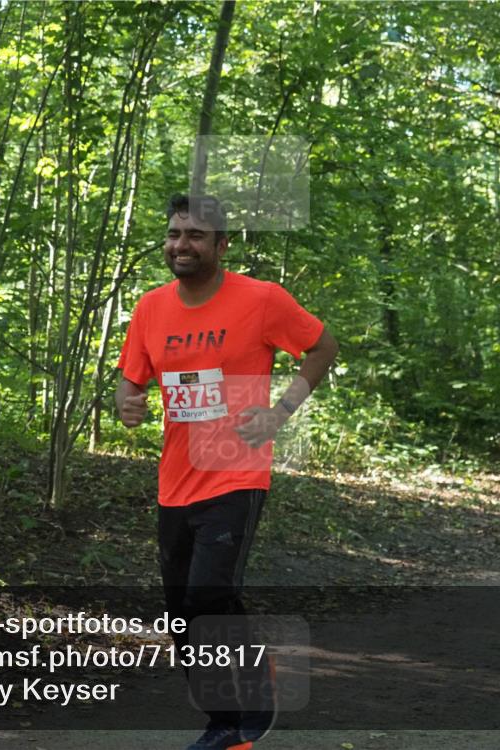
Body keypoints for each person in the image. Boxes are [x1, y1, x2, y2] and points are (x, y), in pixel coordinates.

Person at [115, 194, 338, 750]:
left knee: (208, 593)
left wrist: (281, 411)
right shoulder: (151, 308)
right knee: (180, 611)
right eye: (172, 234)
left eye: (193, 236)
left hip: (236, 473)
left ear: (221, 245)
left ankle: (239, 710)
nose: (179, 245)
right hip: (176, 479)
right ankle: (225, 718)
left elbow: (322, 346)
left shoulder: (260, 300)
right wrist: (128, 401)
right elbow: (132, 378)